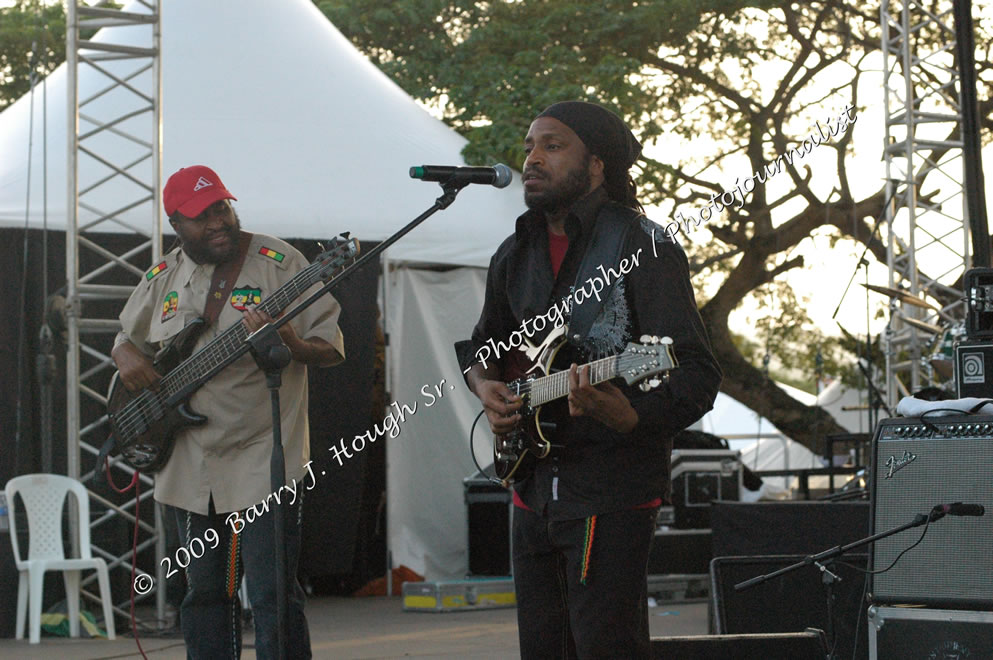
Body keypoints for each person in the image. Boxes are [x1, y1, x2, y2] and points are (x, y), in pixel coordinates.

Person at [455, 101, 722, 659]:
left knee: (607, 647)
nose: (532, 158)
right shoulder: (515, 252)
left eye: (552, 146)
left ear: (596, 166)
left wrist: (634, 415)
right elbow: (482, 348)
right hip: (530, 486)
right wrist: (486, 389)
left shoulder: (642, 248)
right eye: (529, 145)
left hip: (611, 489)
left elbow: (697, 371)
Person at [112, 165, 344, 659]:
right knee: (203, 596)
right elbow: (126, 339)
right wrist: (124, 354)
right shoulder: (162, 276)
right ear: (177, 223)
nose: (218, 221)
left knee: (272, 594)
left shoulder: (281, 262)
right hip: (188, 462)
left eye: (222, 207)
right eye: (201, 215)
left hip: (263, 456)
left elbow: (329, 347)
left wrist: (292, 343)